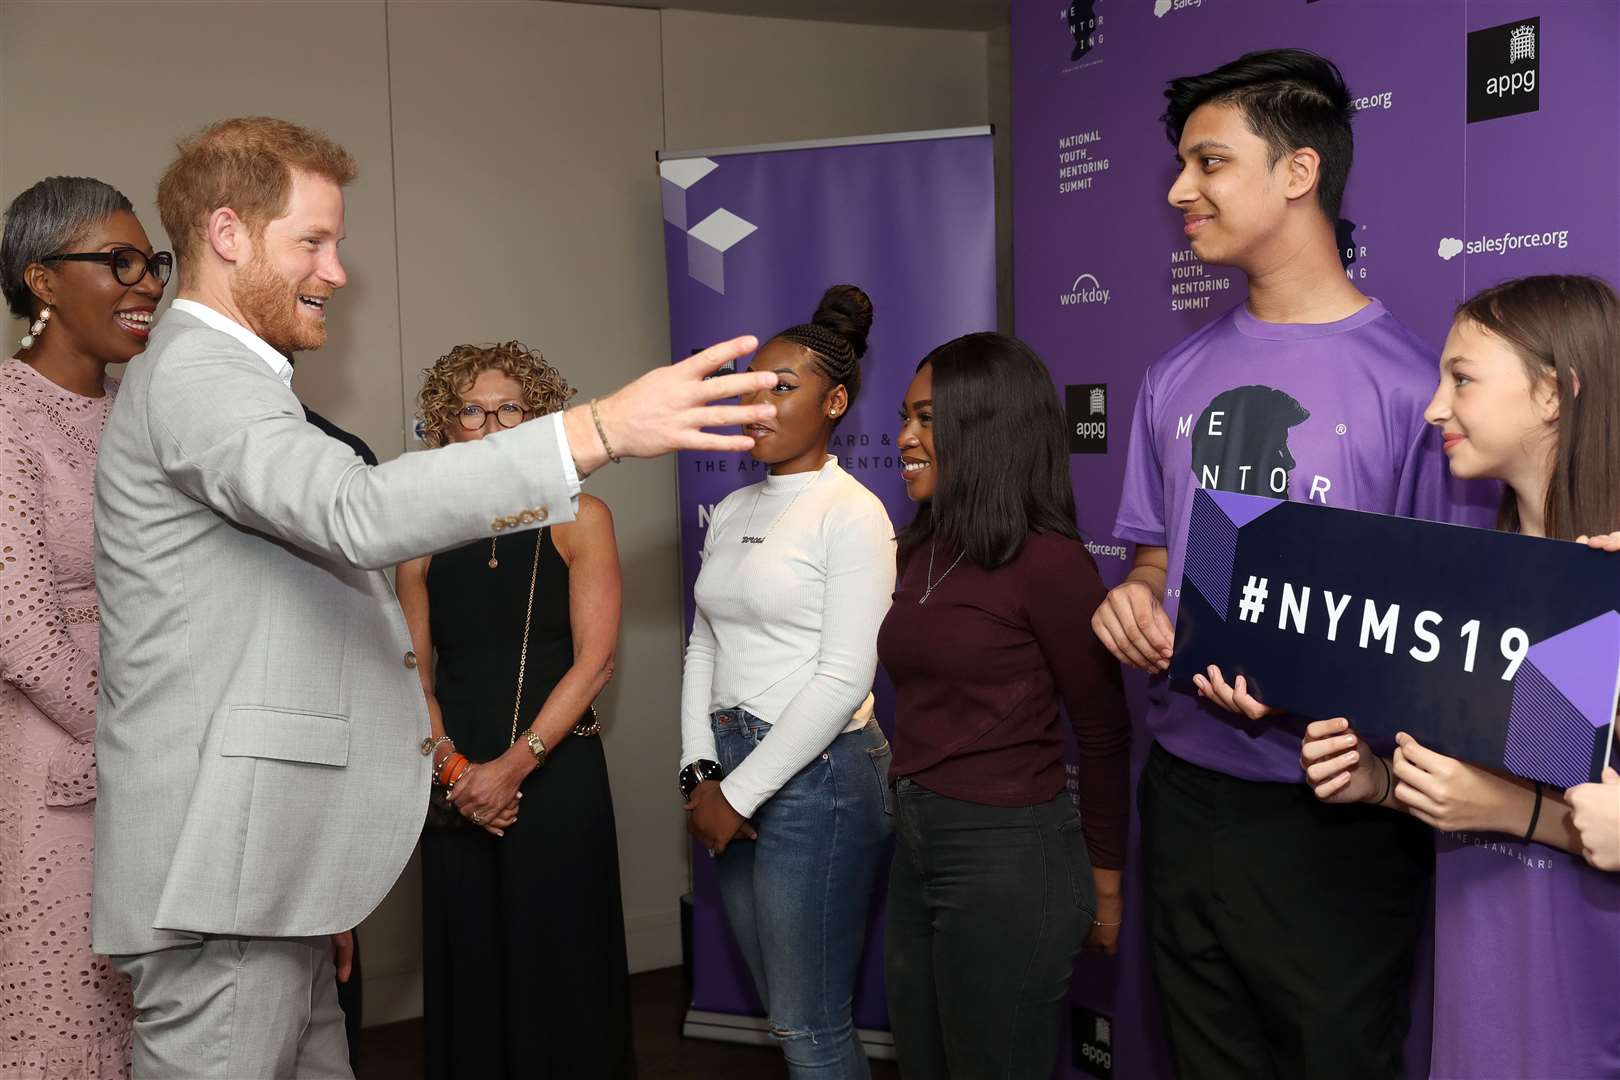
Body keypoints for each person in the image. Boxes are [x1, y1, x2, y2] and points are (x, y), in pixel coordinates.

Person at [89, 116, 778, 1079]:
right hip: (225, 874)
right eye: (313, 242)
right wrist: (598, 431)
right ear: (229, 232)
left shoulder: (231, 379)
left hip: (263, 871)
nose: (335, 271)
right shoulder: (202, 372)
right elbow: (352, 511)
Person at [1090, 50, 1489, 1079]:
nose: (1181, 190)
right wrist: (1134, 602)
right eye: (1181, 166)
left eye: (1210, 163)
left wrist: (1315, 697)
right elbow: (1153, 557)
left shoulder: (1416, 388)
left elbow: (1439, 637)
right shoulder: (1173, 373)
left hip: (1336, 818)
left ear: (1299, 173)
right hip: (1182, 792)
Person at [1299, 275, 1620, 1078]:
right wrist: (1378, 781)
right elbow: (1487, 784)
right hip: (1480, 1012)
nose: (1435, 406)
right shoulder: (1474, 581)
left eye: (1463, 378)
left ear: (1553, 393)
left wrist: (1513, 809)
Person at [879, 333, 1130, 1080]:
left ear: (985, 427)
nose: (905, 439)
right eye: (905, 418)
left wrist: (1106, 887)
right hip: (917, 837)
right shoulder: (922, 546)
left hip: (1010, 854)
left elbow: (1105, 731)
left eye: (927, 419)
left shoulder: (1050, 563)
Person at [398, 341, 633, 1079]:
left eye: (511, 408)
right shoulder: (418, 536)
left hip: (556, 776)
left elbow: (596, 663)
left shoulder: (581, 516)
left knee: (561, 967)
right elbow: (411, 676)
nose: (492, 423)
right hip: (454, 785)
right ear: (444, 423)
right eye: (472, 409)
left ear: (536, 420)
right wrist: (458, 770)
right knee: (472, 967)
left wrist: (512, 768)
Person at [678, 286, 895, 1079]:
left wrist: (735, 797)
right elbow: (703, 645)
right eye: (749, 390)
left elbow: (843, 678)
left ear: (835, 400)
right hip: (731, 771)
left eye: (783, 389)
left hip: (820, 780)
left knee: (808, 1027)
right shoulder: (734, 506)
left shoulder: (854, 512)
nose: (759, 408)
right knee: (788, 1017)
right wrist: (703, 774)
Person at [0, 176, 170, 1079]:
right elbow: (23, 633)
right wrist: (142, 742)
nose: (147, 284)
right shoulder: (5, 417)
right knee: (68, 1033)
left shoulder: (141, 418)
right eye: (120, 262)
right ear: (42, 279)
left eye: (152, 264)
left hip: (157, 770)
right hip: (58, 775)